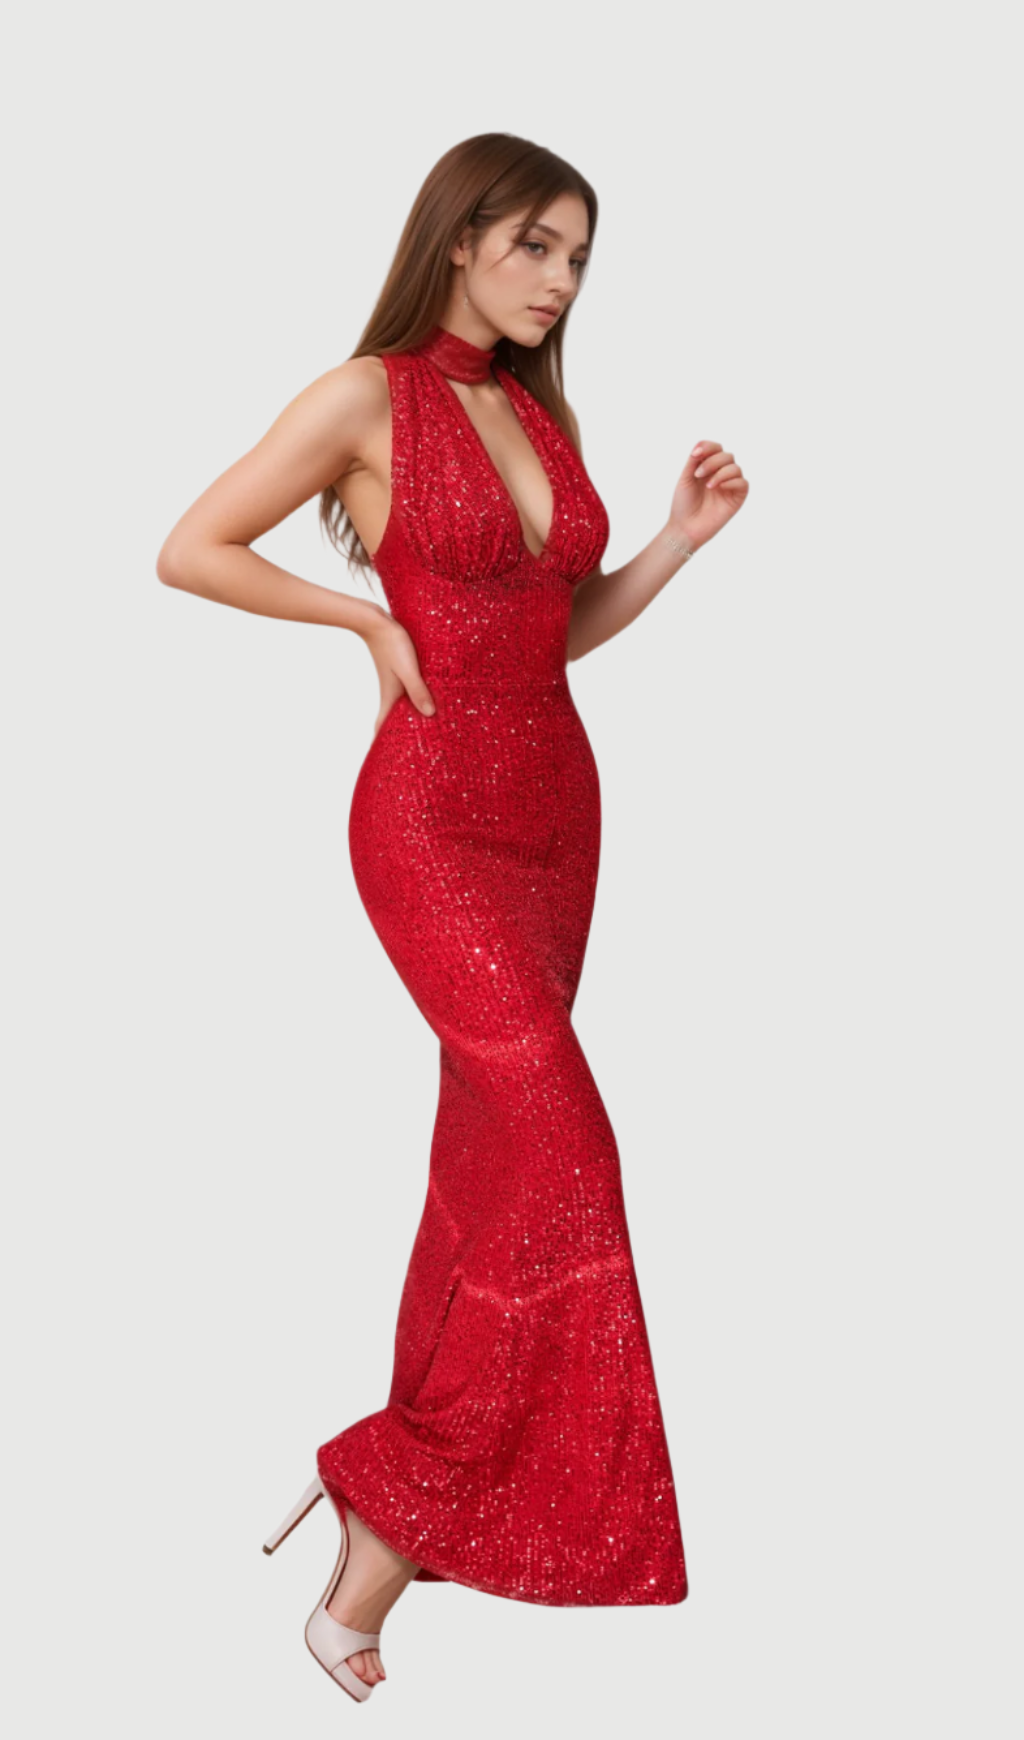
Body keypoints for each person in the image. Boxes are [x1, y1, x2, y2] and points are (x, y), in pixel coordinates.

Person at [157, 131, 749, 1703]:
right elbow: (189, 548)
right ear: (462, 238)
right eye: (536, 246)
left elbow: (558, 629)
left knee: (496, 1168)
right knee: (569, 1151)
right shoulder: (367, 396)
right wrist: (361, 619)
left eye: (580, 258)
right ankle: (390, 1487)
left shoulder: (538, 411)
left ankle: (369, 1562)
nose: (561, 281)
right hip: (426, 816)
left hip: (558, 815)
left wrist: (674, 547)